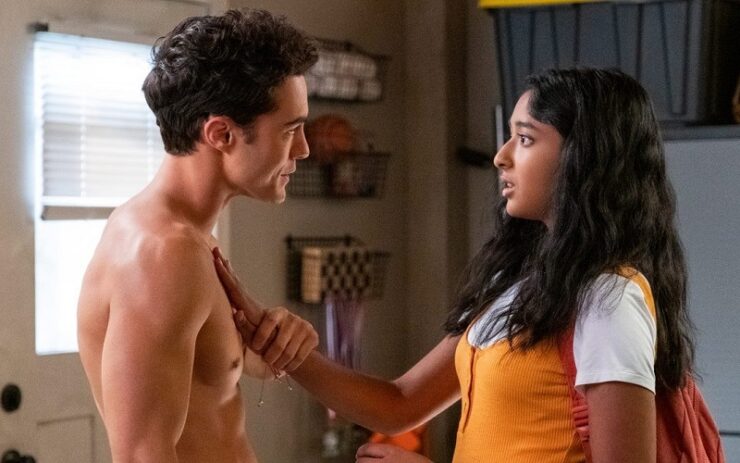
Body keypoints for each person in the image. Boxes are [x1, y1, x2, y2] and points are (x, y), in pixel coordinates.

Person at [216, 68, 696, 462]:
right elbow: (400, 404)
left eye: (525, 139)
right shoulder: (518, 283)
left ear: (583, 158)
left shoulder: (609, 300)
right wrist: (280, 343)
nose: (501, 157)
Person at [77, 9, 320, 462]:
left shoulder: (188, 239)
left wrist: (270, 344)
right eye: (290, 131)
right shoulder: (163, 254)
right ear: (221, 133)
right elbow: (140, 455)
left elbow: (202, 376)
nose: (304, 149)